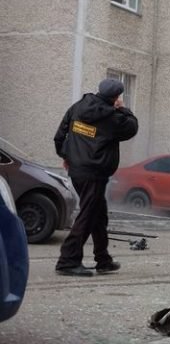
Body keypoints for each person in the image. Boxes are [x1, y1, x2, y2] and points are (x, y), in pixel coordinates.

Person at [53, 78, 139, 276]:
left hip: (77, 170)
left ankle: (103, 259)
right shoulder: (113, 118)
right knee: (88, 215)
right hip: (95, 173)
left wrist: (65, 156)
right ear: (116, 97)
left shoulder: (78, 107)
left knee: (98, 214)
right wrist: (123, 109)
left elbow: (60, 135)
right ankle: (68, 261)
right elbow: (132, 127)